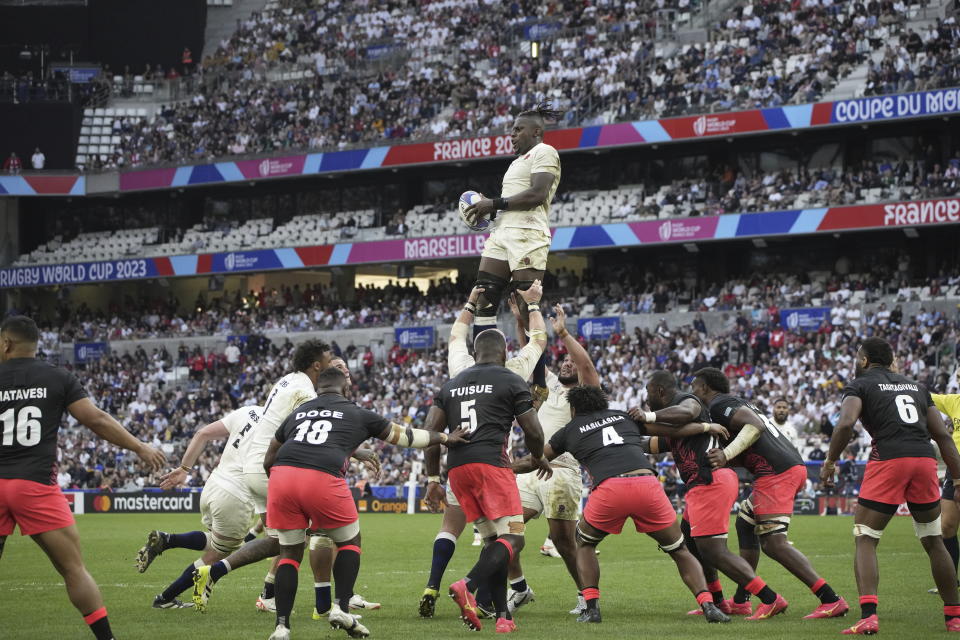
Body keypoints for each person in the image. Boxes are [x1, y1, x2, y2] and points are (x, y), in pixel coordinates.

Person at [261, 366, 469, 640]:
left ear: (319, 388)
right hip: (322, 477)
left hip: (281, 477)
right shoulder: (357, 412)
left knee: (289, 555)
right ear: (345, 389)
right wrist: (445, 437)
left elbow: (268, 460)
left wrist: (284, 487)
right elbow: (406, 437)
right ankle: (341, 607)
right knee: (350, 541)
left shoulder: (297, 414)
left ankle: (282, 627)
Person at [0, 315, 165, 640]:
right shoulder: (57, 377)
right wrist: (140, 447)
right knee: (73, 570)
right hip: (34, 484)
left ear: (6, 343)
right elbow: (97, 419)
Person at [516, 385, 732, 624]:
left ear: (574, 408)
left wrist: (504, 467)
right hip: (646, 484)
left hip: (610, 488)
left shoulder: (569, 429)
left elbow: (534, 460)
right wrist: (705, 426)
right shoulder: (622, 416)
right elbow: (673, 430)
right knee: (680, 550)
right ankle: (709, 606)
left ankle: (591, 608)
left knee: (584, 544)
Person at [418, 283, 546, 620]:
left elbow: (431, 433)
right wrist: (533, 305)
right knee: (514, 540)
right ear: (505, 353)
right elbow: (539, 343)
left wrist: (471, 301)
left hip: (457, 470)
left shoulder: (454, 377)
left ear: (476, 354)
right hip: (492, 465)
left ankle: (501, 615)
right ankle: (469, 586)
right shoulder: (513, 373)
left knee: (493, 543)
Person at [821, 337, 960, 635]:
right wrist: (958, 478)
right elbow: (943, 436)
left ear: (863, 361)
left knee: (865, 536)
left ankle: (869, 615)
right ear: (892, 360)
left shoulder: (861, 384)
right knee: (934, 539)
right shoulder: (916, 387)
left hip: (889, 460)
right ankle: (953, 617)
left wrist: (830, 461)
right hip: (924, 460)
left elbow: (845, 424)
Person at [692, 367, 848, 619]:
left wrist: (726, 455)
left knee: (774, 544)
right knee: (745, 524)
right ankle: (742, 600)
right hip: (782, 469)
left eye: (694, 386)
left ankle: (830, 599)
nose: (692, 391)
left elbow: (754, 426)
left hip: (777, 473)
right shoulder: (731, 404)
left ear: (706, 387)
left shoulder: (720, 403)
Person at [192, 339, 333, 611]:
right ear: (317, 365)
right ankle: (327, 605)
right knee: (315, 531)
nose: (331, 362)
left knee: (278, 541)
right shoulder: (305, 391)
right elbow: (301, 432)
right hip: (271, 469)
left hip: (254, 468)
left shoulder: (286, 380)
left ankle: (218, 572)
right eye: (328, 359)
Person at [635, 370, 788, 621]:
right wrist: (619, 439)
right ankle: (718, 602)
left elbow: (686, 412)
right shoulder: (678, 426)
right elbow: (653, 444)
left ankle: (772, 599)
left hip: (710, 480)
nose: (646, 396)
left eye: (648, 392)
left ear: (660, 391)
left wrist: (648, 415)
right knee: (692, 543)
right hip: (701, 484)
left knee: (714, 551)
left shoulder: (687, 401)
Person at [462, 101, 564, 403]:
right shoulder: (515, 163)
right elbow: (511, 204)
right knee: (483, 296)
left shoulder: (546, 152)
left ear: (536, 131)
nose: (512, 134)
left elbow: (537, 195)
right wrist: (486, 212)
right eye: (512, 130)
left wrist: (491, 203)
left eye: (518, 129)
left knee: (526, 305)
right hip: (503, 233)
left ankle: (538, 380)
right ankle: (487, 365)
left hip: (528, 234)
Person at [508, 303, 599, 616]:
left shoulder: (586, 398)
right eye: (564, 362)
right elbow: (529, 351)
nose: (567, 365)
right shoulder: (547, 388)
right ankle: (519, 589)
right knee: (505, 531)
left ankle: (585, 595)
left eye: (572, 363)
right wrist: (521, 320)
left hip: (562, 472)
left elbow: (587, 369)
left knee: (563, 542)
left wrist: (563, 333)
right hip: (532, 472)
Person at [136, 405, 263, 609]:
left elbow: (202, 433)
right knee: (218, 555)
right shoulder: (282, 425)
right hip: (236, 497)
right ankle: (165, 598)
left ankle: (167, 540)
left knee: (216, 542)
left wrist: (184, 468)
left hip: (213, 485)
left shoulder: (249, 411)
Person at [930, 374, 960, 594]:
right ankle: (951, 581)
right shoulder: (954, 401)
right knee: (946, 526)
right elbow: (926, 396)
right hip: (955, 467)